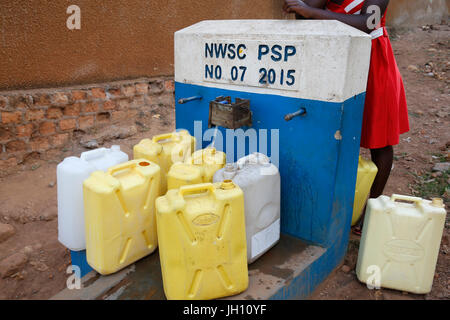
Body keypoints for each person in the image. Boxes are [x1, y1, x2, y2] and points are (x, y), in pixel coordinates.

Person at [283, 0, 410, 235]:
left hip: (373, 62)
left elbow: (368, 23)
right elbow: (303, 15)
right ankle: (326, 203)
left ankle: (371, 207)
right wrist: (309, 9)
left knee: (379, 139)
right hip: (335, 59)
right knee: (331, 130)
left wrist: (312, 11)